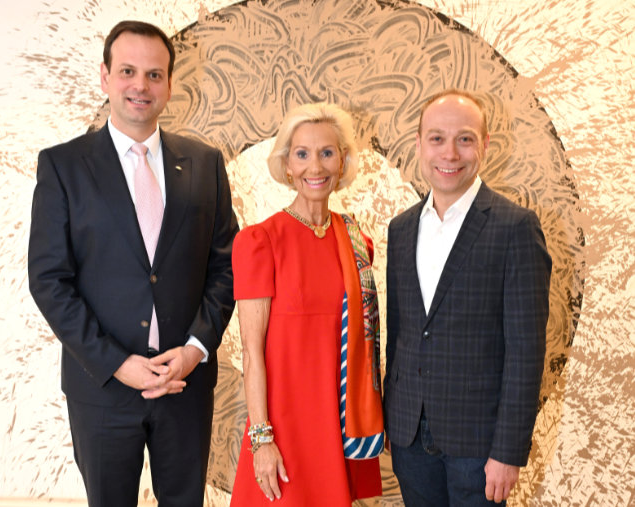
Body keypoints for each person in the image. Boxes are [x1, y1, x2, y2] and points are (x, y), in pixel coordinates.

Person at [28, 20, 238, 507]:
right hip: (101, 387)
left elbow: (225, 267)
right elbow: (48, 279)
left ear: (169, 82)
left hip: (185, 380)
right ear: (105, 77)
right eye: (127, 71)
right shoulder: (62, 166)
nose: (140, 86)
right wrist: (116, 363)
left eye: (154, 74)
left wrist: (195, 348)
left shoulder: (205, 163)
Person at [384, 89, 552, 506]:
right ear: (420, 144)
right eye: (437, 138)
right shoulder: (400, 229)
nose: (450, 152)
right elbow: (401, 331)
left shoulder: (516, 228)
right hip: (409, 438)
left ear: (485, 145)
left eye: (465, 138)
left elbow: (526, 351)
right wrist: (390, 417)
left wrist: (508, 451)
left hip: (480, 447)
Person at [229, 103, 384, 505]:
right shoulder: (259, 242)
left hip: (337, 425)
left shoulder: (356, 241)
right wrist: (261, 439)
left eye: (327, 153)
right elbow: (251, 352)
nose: (315, 166)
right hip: (284, 429)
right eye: (302, 154)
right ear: (288, 165)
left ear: (343, 162)